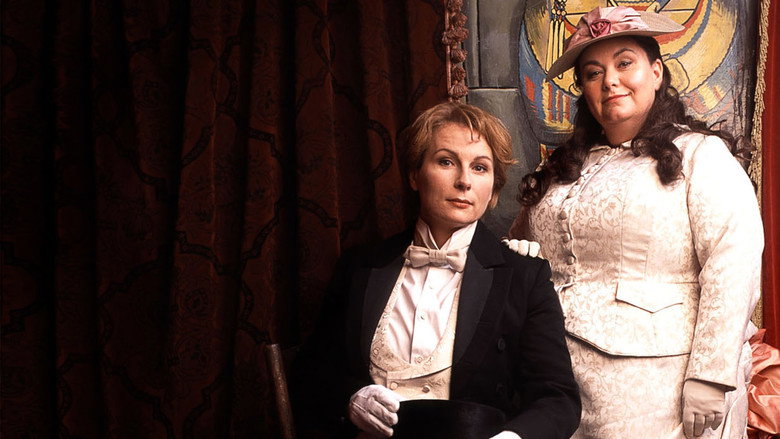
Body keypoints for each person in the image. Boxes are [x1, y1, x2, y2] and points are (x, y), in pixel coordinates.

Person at [507, 6, 764, 439]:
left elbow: (733, 260)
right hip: (553, 378)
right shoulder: (561, 169)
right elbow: (518, 250)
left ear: (656, 72)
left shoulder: (700, 156)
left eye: (624, 63)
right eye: (593, 72)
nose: (610, 80)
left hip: (658, 384)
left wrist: (711, 373)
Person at [293, 101, 581, 439]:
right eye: (446, 162)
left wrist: (512, 438)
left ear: (493, 191)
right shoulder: (361, 267)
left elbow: (558, 399)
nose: (464, 181)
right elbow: (312, 372)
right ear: (414, 175)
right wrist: (351, 398)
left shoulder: (524, 277)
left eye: (480, 168)